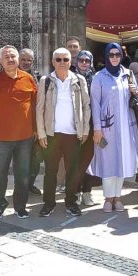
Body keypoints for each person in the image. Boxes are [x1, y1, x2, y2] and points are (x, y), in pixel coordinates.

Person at [0, 44, 38, 219]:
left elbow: (36, 106)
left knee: (22, 176)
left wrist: (36, 129)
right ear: (0, 61)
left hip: (25, 138)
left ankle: (20, 206)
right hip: (2, 138)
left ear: (18, 59)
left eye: (13, 56)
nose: (11, 59)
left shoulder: (28, 79)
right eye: (6, 57)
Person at [35, 47, 91, 216]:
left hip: (73, 134)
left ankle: (71, 202)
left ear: (70, 62)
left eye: (65, 59)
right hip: (52, 135)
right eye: (58, 59)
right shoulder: (46, 81)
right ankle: (49, 203)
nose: (62, 63)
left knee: (72, 171)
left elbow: (86, 106)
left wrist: (85, 129)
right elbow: (39, 109)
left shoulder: (79, 80)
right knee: (50, 171)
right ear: (53, 62)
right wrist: (41, 133)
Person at [89, 42, 138, 213]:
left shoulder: (128, 74)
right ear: (106, 56)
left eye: (117, 55)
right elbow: (95, 104)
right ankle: (108, 198)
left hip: (126, 126)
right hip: (107, 127)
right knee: (108, 161)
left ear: (121, 56)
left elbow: (137, 95)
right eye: (111, 55)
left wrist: (136, 91)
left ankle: (117, 197)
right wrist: (97, 128)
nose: (114, 58)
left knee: (122, 161)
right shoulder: (99, 77)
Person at [70, 42, 99, 207]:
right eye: (81, 60)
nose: (84, 63)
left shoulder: (97, 79)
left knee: (88, 161)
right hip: (74, 127)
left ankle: (86, 192)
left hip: (91, 125)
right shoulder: (70, 78)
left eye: (87, 61)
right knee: (75, 161)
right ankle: (75, 191)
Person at [18, 47, 45, 197]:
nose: (26, 62)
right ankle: (21, 187)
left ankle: (30, 184)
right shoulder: (11, 75)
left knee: (36, 159)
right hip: (18, 127)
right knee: (20, 160)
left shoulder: (38, 77)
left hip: (35, 126)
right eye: (23, 59)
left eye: (29, 60)